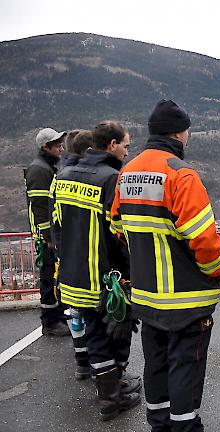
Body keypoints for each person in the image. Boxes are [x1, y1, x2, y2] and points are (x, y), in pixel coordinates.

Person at [111, 99, 220, 432]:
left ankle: (159, 424)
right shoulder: (180, 175)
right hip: (185, 300)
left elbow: (117, 227)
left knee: (156, 365)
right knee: (184, 368)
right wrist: (215, 271)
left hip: (147, 299)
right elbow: (204, 241)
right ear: (180, 133)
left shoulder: (128, 172)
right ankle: (186, 427)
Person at [54, 121, 141, 421]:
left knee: (94, 333)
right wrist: (130, 275)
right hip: (106, 279)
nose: (128, 152)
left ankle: (111, 391)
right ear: (112, 145)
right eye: (127, 146)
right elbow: (120, 234)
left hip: (73, 275)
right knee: (115, 333)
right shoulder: (111, 179)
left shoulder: (63, 176)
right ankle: (112, 397)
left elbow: (57, 226)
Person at [49, 129, 94, 380]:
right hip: (83, 256)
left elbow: (54, 218)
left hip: (65, 256)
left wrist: (58, 250)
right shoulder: (84, 178)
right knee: (89, 311)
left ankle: (81, 361)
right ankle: (96, 366)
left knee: (74, 310)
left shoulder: (59, 177)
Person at [24, 127, 70, 336]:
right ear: (46, 147)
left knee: (55, 276)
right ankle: (50, 322)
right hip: (45, 237)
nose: (61, 147)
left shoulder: (47, 166)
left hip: (50, 235)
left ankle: (58, 314)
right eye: (57, 144)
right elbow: (42, 207)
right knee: (48, 277)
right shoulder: (39, 170)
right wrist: (49, 237)